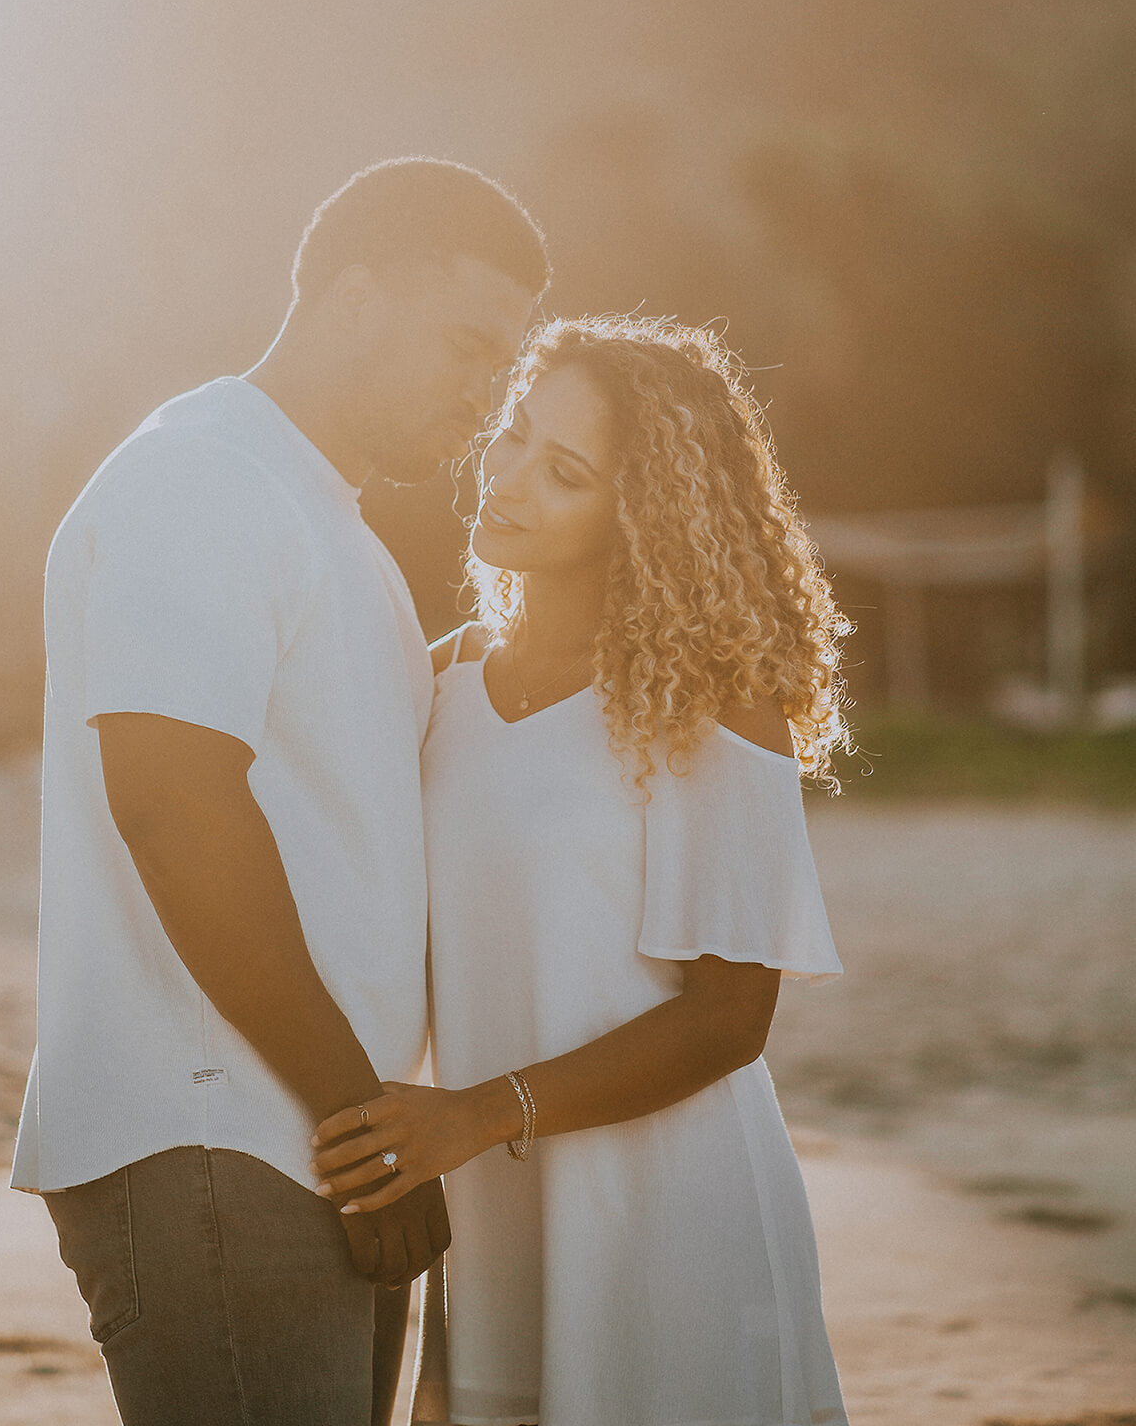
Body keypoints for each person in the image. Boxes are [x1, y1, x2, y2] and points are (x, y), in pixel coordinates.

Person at [11, 157, 548, 1426]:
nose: (483, 399)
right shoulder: (200, 476)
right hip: (226, 1135)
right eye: (466, 346)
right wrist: (359, 1114)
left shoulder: (329, 524)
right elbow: (174, 803)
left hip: (303, 1138)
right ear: (355, 299)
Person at [312, 313, 852, 1426]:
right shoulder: (441, 681)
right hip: (499, 1214)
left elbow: (727, 1018)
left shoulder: (714, 704)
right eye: (510, 436)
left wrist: (473, 1113)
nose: (505, 478)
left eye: (562, 471)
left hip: (670, 1213)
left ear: (638, 516)